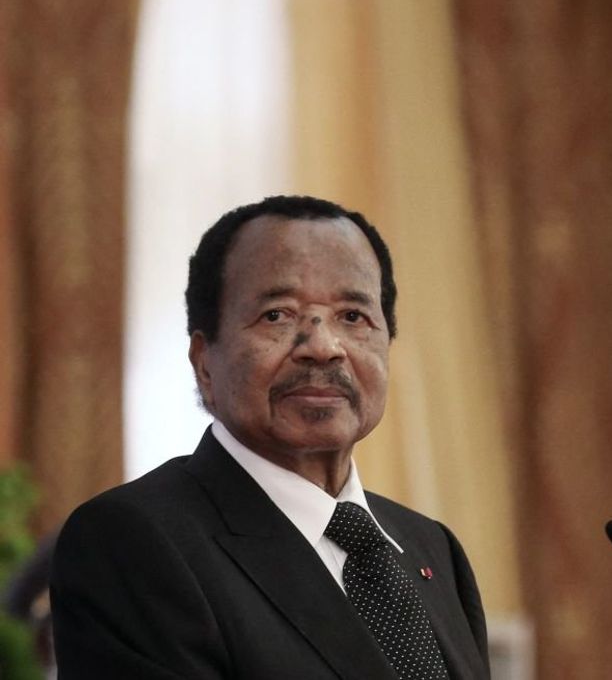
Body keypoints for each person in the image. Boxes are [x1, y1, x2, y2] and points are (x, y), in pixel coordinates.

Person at [49, 196, 490, 679]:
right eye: (277, 315)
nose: (323, 347)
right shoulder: (133, 542)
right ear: (204, 362)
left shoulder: (431, 547)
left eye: (352, 316)